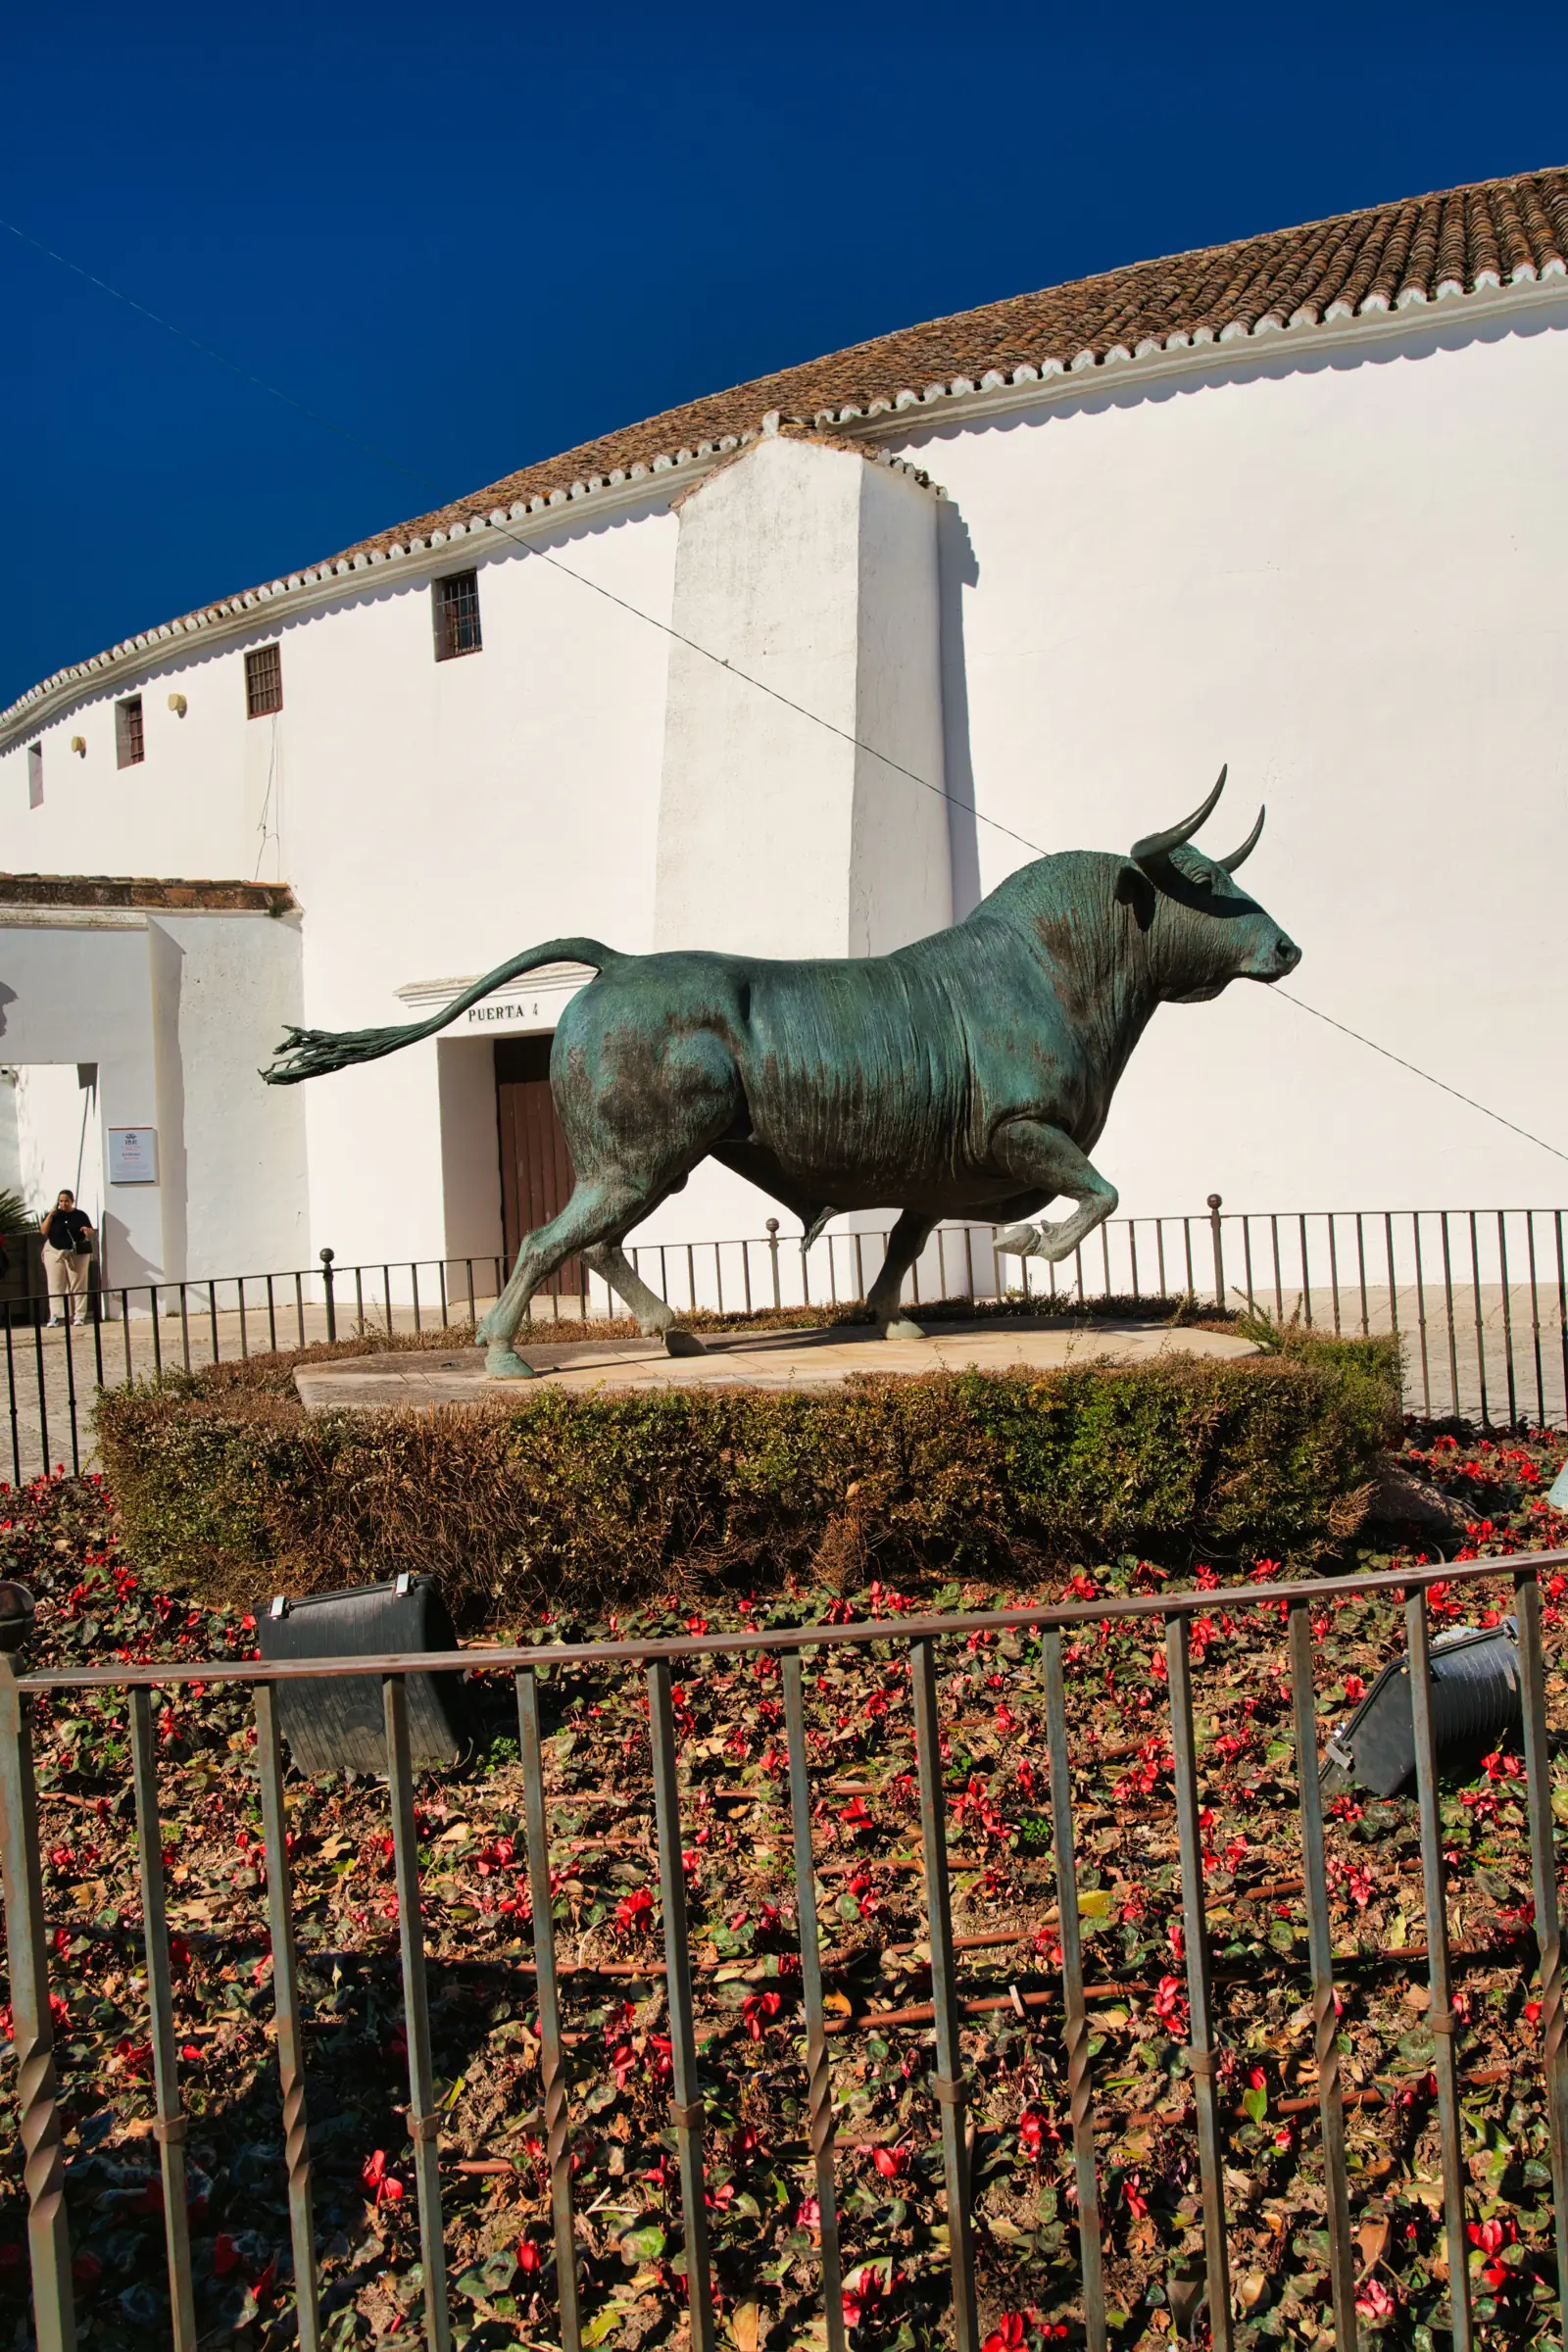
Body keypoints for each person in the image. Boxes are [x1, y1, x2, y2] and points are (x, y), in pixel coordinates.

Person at [40, 1190, 93, 1328]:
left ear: (72, 1201)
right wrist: (51, 1215)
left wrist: (87, 1231)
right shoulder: (54, 1215)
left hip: (76, 1252)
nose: (63, 1204)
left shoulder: (80, 1215)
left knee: (78, 1284)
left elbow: (91, 1230)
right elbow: (43, 1231)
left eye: (66, 1201)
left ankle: (79, 1315)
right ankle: (56, 1316)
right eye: (61, 1201)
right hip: (54, 1251)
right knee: (56, 1285)